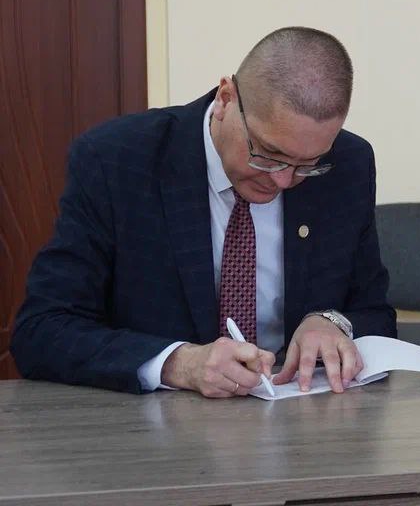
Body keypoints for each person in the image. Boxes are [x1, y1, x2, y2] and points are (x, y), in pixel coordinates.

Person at [12, 27, 395, 396]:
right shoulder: (117, 161)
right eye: (268, 154)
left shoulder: (348, 165)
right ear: (226, 99)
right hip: (151, 426)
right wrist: (179, 363)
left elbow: (375, 315)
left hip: (301, 419)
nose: (283, 180)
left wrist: (333, 323)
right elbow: (42, 330)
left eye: (307, 165)